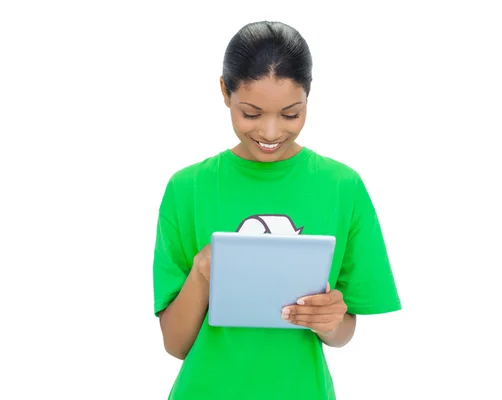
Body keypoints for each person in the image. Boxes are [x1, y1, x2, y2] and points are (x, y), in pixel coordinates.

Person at [152, 20, 402, 400]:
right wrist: (203, 272)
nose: (270, 132)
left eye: (290, 114)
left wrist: (331, 320)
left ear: (308, 97)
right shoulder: (187, 189)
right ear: (224, 91)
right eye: (251, 113)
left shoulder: (341, 187)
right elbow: (175, 344)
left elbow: (342, 334)